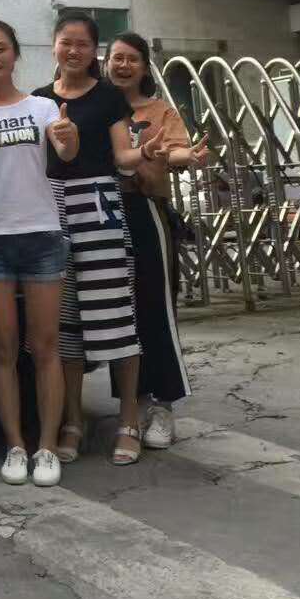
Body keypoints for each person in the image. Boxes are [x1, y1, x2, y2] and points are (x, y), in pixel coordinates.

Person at [34, 10, 165, 466]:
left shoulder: (108, 96)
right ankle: (73, 420)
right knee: (64, 322)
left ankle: (128, 419)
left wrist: (144, 152)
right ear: (53, 45)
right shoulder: (38, 99)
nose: (73, 51)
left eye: (83, 44)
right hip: (50, 206)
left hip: (98, 204)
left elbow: (121, 154)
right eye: (66, 42)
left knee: (116, 313)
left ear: (94, 51)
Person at [0, 20, 79, 488]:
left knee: (45, 347)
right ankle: (15, 445)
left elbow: (66, 153)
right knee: (2, 349)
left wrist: (68, 137)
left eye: (0, 49)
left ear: (15, 53)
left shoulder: (43, 107)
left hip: (43, 236)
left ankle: (46, 446)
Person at [106, 32, 208, 448]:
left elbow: (177, 150)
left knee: (156, 307)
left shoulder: (159, 110)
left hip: (146, 210)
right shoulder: (98, 106)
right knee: (118, 313)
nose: (123, 65)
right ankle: (132, 405)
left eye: (132, 58)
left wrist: (189, 157)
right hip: (104, 216)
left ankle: (163, 405)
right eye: (117, 57)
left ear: (145, 67)